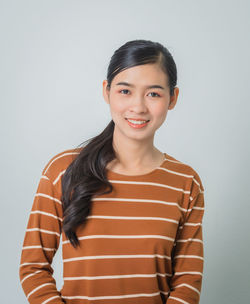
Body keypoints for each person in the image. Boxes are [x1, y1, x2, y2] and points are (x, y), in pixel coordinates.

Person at [19, 39, 205, 304]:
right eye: (125, 91)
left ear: (172, 98)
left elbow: (188, 281)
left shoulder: (186, 182)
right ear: (107, 91)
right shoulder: (62, 171)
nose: (138, 107)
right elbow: (33, 267)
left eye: (153, 93)